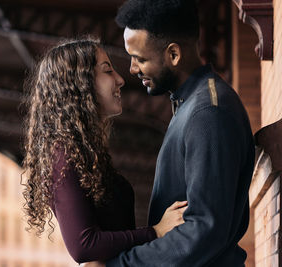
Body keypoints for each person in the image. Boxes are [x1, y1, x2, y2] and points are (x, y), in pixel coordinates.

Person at [85, 0, 255, 266]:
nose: (131, 69)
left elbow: (204, 230)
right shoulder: (191, 106)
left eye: (140, 58)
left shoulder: (208, 114)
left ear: (173, 55)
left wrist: (120, 265)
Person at [21, 38, 187, 264]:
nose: (120, 79)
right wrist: (156, 231)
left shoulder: (86, 154)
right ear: (80, 83)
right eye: (107, 71)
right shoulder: (62, 155)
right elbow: (83, 246)